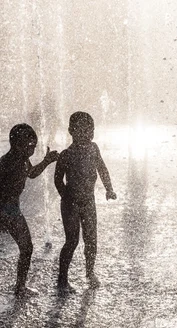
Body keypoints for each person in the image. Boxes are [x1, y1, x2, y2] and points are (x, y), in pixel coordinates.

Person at [0, 123, 59, 304]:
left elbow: (31, 173)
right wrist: (1, 215)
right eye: (30, 145)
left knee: (24, 248)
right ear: (17, 144)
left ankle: (18, 287)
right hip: (1, 211)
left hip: (11, 211)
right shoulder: (7, 161)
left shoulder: (21, 158)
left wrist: (46, 161)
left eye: (34, 145)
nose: (32, 149)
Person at [54, 111, 116, 295]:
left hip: (89, 202)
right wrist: (66, 196)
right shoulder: (66, 155)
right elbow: (57, 179)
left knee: (91, 240)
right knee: (72, 241)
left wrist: (109, 188)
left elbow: (102, 168)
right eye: (82, 130)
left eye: (91, 130)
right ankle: (62, 279)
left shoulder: (94, 149)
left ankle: (90, 272)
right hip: (71, 204)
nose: (88, 134)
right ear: (71, 131)